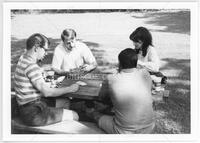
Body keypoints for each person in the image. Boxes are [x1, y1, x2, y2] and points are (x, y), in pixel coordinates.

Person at [14, 33, 80, 126]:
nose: (46, 53)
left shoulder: (23, 58)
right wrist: (70, 89)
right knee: (75, 115)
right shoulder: (32, 66)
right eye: (45, 50)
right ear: (36, 47)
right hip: (34, 114)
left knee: (63, 102)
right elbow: (47, 92)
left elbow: (29, 76)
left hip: (26, 109)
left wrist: (41, 71)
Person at [86, 48, 155, 134]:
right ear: (136, 62)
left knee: (94, 114)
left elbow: (101, 97)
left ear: (120, 63)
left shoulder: (111, 78)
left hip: (123, 131)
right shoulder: (145, 73)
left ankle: (90, 112)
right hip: (149, 127)